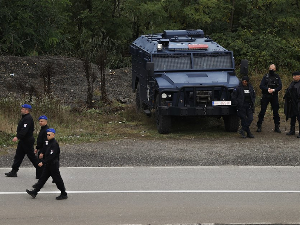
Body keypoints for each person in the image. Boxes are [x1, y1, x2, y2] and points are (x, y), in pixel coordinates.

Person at [26, 128, 68, 200]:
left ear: (53, 135)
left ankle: (64, 193)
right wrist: (42, 153)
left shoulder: (54, 144)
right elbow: (45, 150)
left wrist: (43, 162)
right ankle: (35, 192)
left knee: (58, 180)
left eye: (49, 135)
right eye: (47, 135)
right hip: (48, 165)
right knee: (42, 178)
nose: (47, 136)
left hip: (53, 165)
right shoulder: (49, 142)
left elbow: (52, 156)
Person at [5, 104, 38, 177]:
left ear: (26, 110)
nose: (21, 110)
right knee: (18, 156)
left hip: (27, 141)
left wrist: (18, 137)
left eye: (23, 109)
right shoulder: (24, 118)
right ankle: (14, 171)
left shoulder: (28, 118)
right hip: (23, 141)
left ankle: (41, 170)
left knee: (32, 156)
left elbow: (24, 130)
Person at [256, 64, 282, 133]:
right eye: (270, 69)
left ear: (275, 69)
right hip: (266, 95)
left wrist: (273, 90)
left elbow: (280, 87)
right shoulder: (266, 77)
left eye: (273, 69)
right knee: (262, 111)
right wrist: (267, 89)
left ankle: (277, 126)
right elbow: (261, 86)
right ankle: (259, 126)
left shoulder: (277, 77)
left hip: (274, 96)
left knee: (276, 112)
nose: (271, 70)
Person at [284, 71, 300, 137]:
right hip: (292, 102)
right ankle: (292, 130)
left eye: (295, 76)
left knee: (299, 117)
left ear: (299, 76)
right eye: (293, 76)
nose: (293, 77)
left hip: (298, 102)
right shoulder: (293, 83)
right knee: (292, 117)